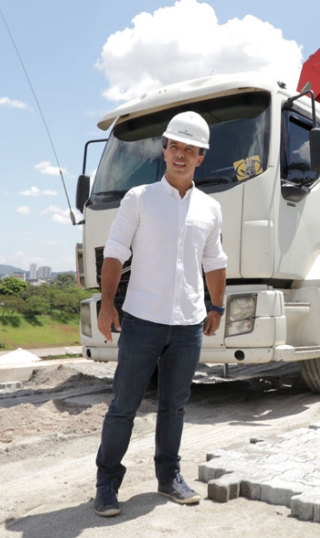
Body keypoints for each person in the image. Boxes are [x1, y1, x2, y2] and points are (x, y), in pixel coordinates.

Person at [92, 111, 228, 517]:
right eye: (175, 147)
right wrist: (107, 303)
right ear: (164, 151)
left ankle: (169, 477)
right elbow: (115, 251)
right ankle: (106, 484)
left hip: (188, 325)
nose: (181, 155)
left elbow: (214, 260)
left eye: (190, 149)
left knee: (175, 406)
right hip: (142, 321)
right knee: (124, 405)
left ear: (201, 157)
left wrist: (216, 305)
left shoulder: (210, 208)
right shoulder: (139, 198)